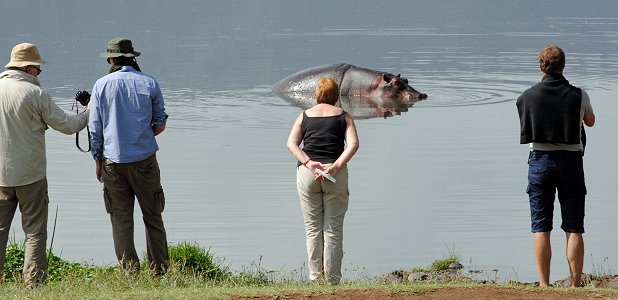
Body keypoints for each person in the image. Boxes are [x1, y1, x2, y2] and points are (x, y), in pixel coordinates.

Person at [0, 43, 89, 287]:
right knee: (35, 232)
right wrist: (89, 112)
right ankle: (34, 284)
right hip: (31, 174)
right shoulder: (35, 94)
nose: (39, 73)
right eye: (38, 69)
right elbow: (69, 126)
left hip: (0, 175)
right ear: (29, 68)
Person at [88, 37, 169, 275]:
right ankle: (159, 271)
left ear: (112, 59)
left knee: (121, 220)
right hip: (144, 160)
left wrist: (97, 160)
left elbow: (95, 128)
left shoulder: (101, 85)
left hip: (112, 162)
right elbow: (161, 123)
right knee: (153, 216)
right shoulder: (149, 83)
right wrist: (143, 135)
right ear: (132, 57)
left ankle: (130, 273)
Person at [516, 45, 596, 287]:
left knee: (541, 227)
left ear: (541, 67)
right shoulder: (579, 94)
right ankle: (575, 284)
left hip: (539, 163)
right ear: (564, 66)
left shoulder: (526, 96)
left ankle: (543, 284)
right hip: (571, 163)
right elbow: (590, 122)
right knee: (574, 227)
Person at [286, 77, 360, 284]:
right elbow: (353, 145)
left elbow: (291, 144)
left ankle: (315, 279)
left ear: (316, 95)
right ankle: (333, 281)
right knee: (333, 229)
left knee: (312, 229)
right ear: (337, 96)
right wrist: (335, 166)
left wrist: (309, 163)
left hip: (308, 174)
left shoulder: (304, 116)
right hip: (333, 174)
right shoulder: (344, 117)